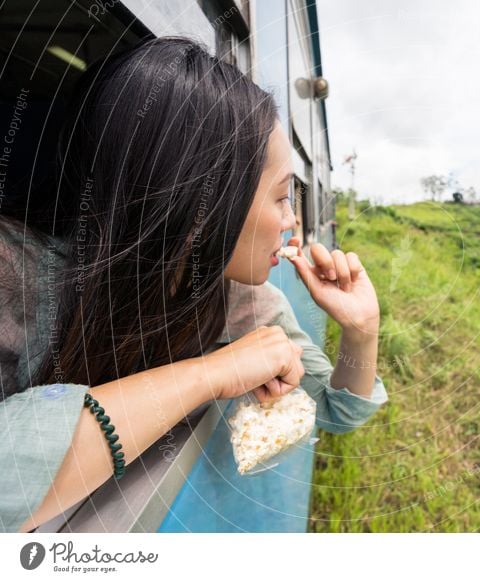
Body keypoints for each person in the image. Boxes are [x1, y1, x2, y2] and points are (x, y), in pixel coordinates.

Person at [0, 37, 387, 533]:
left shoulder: (246, 303)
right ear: (201, 206)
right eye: (281, 198)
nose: (293, 221)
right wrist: (211, 373)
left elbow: (336, 409)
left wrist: (361, 330)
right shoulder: (16, 276)